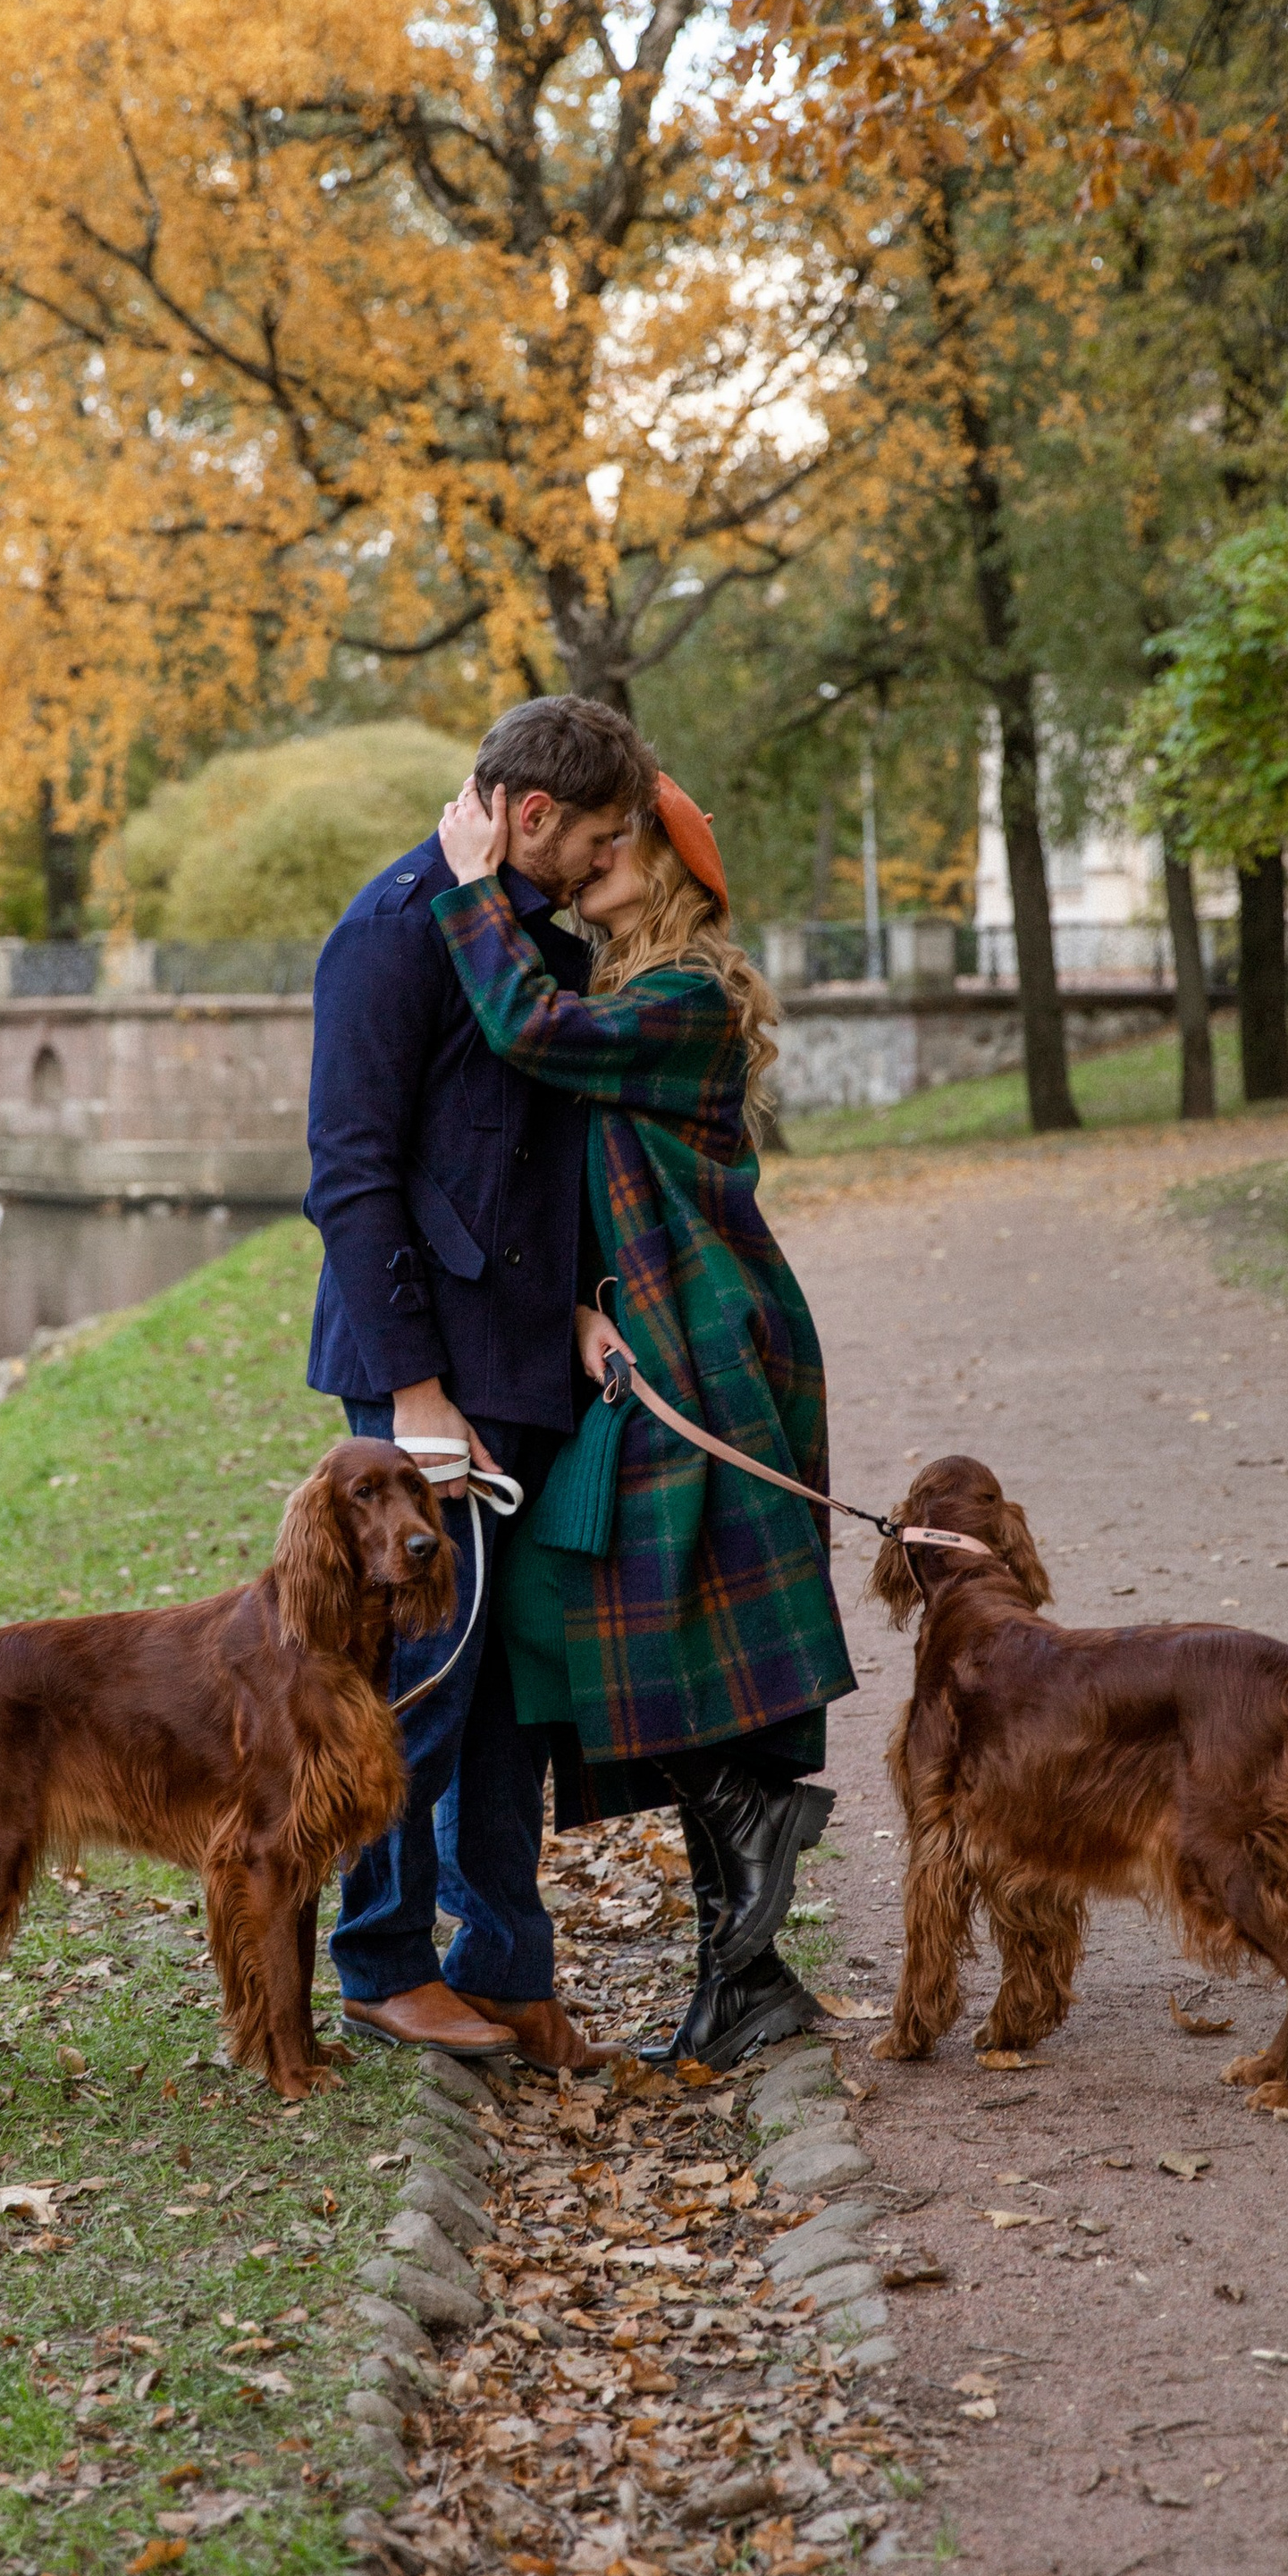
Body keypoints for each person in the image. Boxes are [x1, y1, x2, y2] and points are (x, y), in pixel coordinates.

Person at [430, 765, 856, 2070]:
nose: (600, 856)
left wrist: (464, 900)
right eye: (595, 838)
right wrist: (566, 1310)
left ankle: (749, 1914)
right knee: (646, 1634)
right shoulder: (630, 986)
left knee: (662, 1624)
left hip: (709, 1341)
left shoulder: (687, 995)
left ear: (676, 869)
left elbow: (535, 1038)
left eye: (627, 843)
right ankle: (751, 1965)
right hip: (654, 1334)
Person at [304, 694, 662, 2067]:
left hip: (526, 1363)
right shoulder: (392, 931)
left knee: (513, 1685)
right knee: (424, 1683)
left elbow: (524, 1140)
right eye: (596, 836)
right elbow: (350, 1176)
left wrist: (574, 1300)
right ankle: (381, 1963)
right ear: (530, 816)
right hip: (425, 1389)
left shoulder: (528, 935)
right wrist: (409, 1395)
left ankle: (508, 1965)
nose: (602, 860)